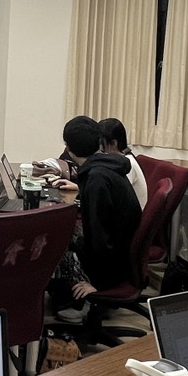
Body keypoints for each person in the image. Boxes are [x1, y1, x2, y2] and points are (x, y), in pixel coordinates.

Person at [49, 116, 142, 313]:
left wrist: (99, 285)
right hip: (120, 256)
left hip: (112, 269)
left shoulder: (96, 179)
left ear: (68, 147)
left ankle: (79, 307)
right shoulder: (107, 167)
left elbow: (101, 240)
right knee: (65, 237)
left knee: (49, 253)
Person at [97, 116, 148, 208]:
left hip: (131, 214)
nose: (100, 148)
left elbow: (115, 195)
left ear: (114, 143)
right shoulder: (122, 159)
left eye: (102, 143)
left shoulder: (127, 165)